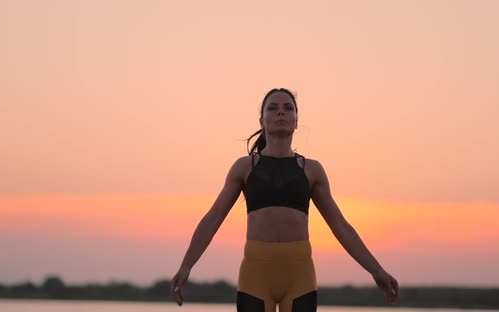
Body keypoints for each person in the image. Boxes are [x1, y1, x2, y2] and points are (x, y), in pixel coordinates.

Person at [171, 88, 399, 312]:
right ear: (262, 120)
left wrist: (376, 270)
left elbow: (340, 226)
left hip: (299, 277)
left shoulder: (312, 170)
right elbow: (213, 218)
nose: (281, 112)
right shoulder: (244, 167)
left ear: (296, 121)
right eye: (273, 108)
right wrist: (186, 265)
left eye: (288, 108)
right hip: (255, 275)